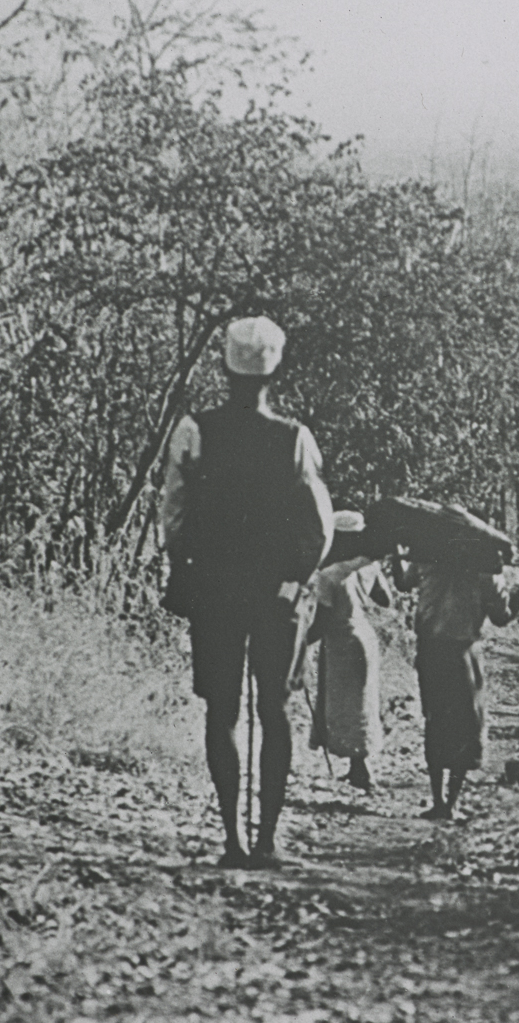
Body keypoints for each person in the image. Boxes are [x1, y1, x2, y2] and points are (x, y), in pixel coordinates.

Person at [160, 317, 333, 869]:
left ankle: (233, 840)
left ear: (223, 366)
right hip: (275, 594)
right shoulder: (294, 438)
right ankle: (267, 842)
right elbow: (319, 528)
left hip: (213, 590)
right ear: (276, 369)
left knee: (223, 711)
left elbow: (173, 514)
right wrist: (294, 577)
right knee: (275, 709)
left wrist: (189, 568)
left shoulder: (194, 430)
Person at [392, 547, 519, 821]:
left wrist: (395, 553)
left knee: (435, 721)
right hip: (462, 653)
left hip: (430, 651)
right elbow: (502, 617)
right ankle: (450, 804)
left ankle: (439, 801)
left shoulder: (428, 560)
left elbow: (402, 583)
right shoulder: (485, 571)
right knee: (464, 724)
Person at [297, 511, 391, 793]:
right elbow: (384, 599)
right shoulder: (367, 566)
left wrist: (298, 641)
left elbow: (323, 620)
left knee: (347, 704)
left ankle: (363, 771)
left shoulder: (330, 575)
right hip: (364, 636)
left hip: (341, 640)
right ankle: (357, 769)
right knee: (360, 702)